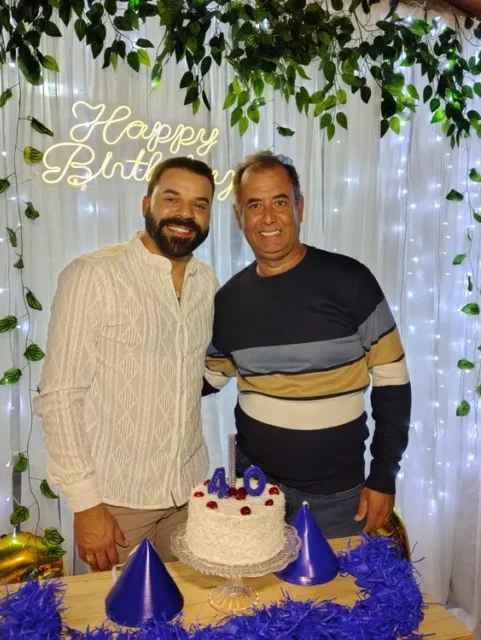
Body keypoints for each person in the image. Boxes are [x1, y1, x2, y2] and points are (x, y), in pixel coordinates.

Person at [203, 151, 411, 538]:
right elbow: (209, 378)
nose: (268, 218)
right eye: (255, 205)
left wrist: (384, 475)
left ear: (299, 207)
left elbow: (393, 383)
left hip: (338, 499)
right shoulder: (228, 301)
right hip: (254, 490)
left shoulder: (351, 281)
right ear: (238, 216)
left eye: (280, 202)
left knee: (336, 581)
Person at [34, 156, 217, 570]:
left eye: (200, 204)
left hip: (190, 497)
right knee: (114, 610)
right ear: (146, 204)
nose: (185, 213)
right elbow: (59, 395)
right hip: (116, 506)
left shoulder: (206, 282)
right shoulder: (94, 274)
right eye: (172, 199)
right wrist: (86, 503)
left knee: (190, 609)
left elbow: (193, 373)